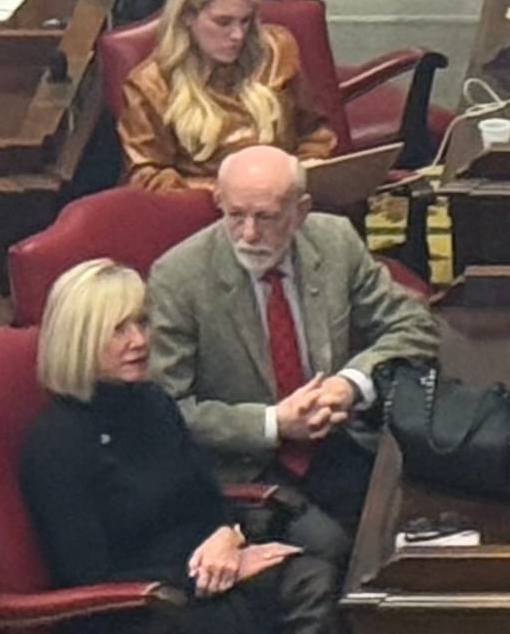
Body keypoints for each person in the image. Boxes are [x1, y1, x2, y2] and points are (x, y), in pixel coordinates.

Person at [23, 260, 361, 634]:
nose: (139, 341)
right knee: (304, 591)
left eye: (142, 323)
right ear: (79, 338)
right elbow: (87, 573)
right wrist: (209, 572)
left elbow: (204, 495)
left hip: (200, 574)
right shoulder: (58, 443)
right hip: (136, 612)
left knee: (316, 577)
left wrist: (230, 537)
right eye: (118, 329)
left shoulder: (150, 402)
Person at [146, 145, 440, 547]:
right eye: (235, 216)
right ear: (218, 202)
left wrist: (349, 384)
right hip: (249, 466)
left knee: (422, 509)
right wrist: (273, 422)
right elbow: (167, 411)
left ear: (301, 211)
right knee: (337, 546)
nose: (248, 234)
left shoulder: (334, 242)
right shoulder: (178, 278)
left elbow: (413, 325)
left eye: (266, 217)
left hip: (337, 440)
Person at [120, 0, 338, 193]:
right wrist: (227, 191)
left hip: (285, 204)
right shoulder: (150, 83)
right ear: (187, 16)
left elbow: (314, 133)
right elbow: (146, 176)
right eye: (223, 22)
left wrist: (303, 170)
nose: (238, 35)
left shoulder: (276, 51)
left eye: (245, 21)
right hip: (204, 214)